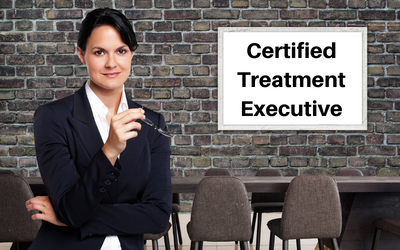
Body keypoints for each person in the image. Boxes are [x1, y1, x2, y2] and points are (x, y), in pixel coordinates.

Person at [25, 8, 172, 250]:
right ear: (82, 55)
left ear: (132, 54)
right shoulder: (53, 117)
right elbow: (71, 210)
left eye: (121, 51)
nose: (111, 63)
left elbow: (157, 217)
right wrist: (110, 149)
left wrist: (68, 217)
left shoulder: (153, 124)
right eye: (99, 52)